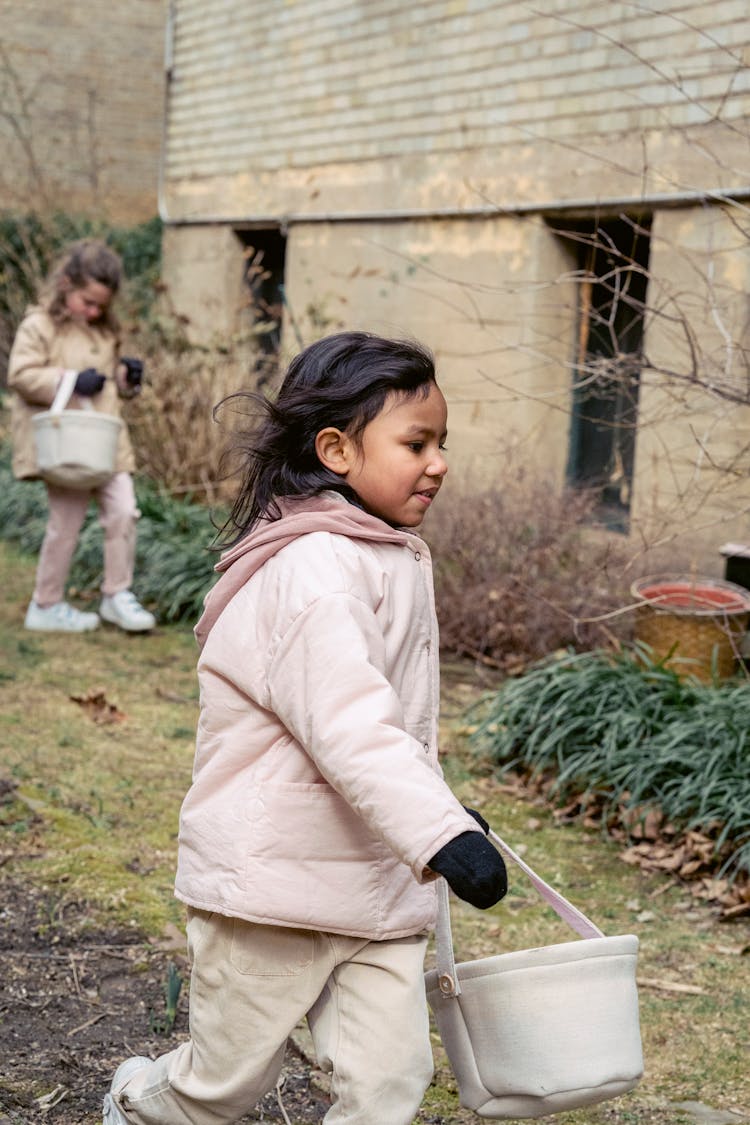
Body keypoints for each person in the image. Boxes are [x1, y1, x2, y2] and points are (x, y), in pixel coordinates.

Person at [103, 331, 507, 1125]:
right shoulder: (313, 568)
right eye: (416, 442)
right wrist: (436, 834)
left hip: (375, 887)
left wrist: (443, 815)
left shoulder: (386, 553)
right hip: (274, 887)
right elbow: (348, 727)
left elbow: (389, 727)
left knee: (388, 1081)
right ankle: (137, 1104)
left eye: (443, 443)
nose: (439, 462)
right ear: (337, 450)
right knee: (220, 1088)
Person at [7, 238, 155, 633]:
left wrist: (126, 379)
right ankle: (46, 603)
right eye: (86, 301)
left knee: (123, 512)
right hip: (66, 443)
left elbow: (107, 385)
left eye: (100, 306)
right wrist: (71, 380)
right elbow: (20, 376)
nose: (93, 311)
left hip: (106, 442)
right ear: (66, 284)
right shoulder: (39, 325)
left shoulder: (105, 331)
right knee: (65, 523)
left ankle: (116, 594)